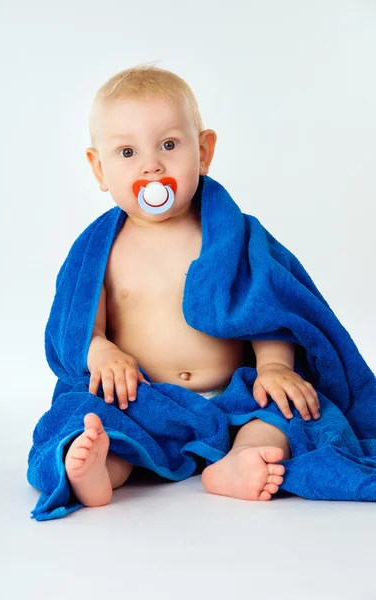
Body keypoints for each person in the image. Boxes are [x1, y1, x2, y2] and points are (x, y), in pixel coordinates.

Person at [64, 64, 321, 508]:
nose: (151, 164)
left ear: (203, 152)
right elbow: (78, 324)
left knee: (286, 413)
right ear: (98, 168)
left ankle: (240, 460)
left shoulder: (230, 236)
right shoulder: (99, 252)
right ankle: (104, 468)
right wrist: (101, 351)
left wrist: (274, 367)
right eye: (126, 152)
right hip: (145, 398)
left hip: (233, 396)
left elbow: (265, 308)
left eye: (168, 144)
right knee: (97, 420)